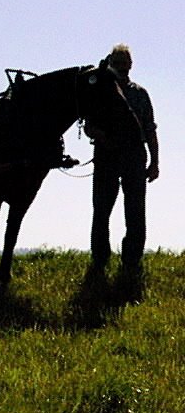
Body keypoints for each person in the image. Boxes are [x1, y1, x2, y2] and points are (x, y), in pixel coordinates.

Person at [85, 44, 159, 285]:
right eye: (117, 63)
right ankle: (100, 258)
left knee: (135, 210)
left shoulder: (140, 93)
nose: (121, 68)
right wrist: (101, 137)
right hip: (107, 155)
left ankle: (132, 259)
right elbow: (89, 126)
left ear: (131, 65)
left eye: (124, 63)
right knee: (102, 209)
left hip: (134, 155)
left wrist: (154, 161)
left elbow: (150, 128)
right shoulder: (100, 93)